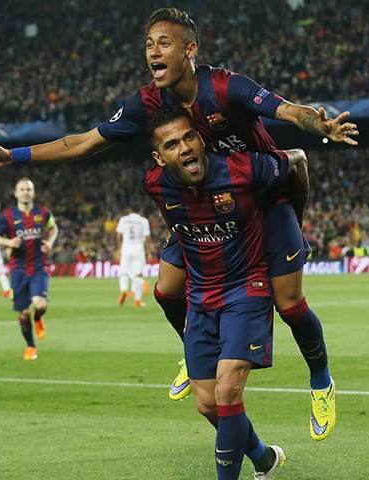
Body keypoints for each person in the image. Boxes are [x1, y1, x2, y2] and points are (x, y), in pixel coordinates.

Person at [0, 7, 350, 438]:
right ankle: (196, 349)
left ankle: (321, 381)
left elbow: (288, 111)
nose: (153, 52)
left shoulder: (225, 86)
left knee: (289, 303)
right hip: (201, 201)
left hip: (261, 196)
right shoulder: (147, 102)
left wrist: (320, 124)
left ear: (190, 50)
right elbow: (84, 143)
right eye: (148, 45)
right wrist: (12, 156)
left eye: (164, 43)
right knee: (165, 290)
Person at [144, 105, 300, 479]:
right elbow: (180, 225)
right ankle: (264, 458)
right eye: (171, 144)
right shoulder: (156, 185)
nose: (183, 148)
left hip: (248, 288)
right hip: (201, 296)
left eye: (188, 137)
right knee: (208, 404)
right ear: (159, 157)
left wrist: (292, 227)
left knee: (229, 389)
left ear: (200, 138)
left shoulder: (244, 169)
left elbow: (293, 166)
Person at [0, 178, 58, 361]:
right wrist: (9, 242)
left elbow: (53, 228)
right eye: (22, 189)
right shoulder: (7, 216)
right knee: (24, 312)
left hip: (38, 266)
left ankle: (39, 318)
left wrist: (50, 243)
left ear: (33, 193)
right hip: (18, 269)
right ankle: (30, 346)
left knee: (40, 304)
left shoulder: (43, 213)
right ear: (16, 193)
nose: (25, 192)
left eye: (28, 189)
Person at [115, 208, 152, 307]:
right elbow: (147, 237)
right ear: (140, 211)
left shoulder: (123, 219)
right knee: (138, 274)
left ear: (129, 210)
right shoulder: (143, 221)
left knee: (124, 272)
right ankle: (138, 301)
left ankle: (123, 290)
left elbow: (118, 235)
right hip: (138, 249)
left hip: (126, 248)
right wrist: (148, 251)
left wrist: (119, 249)